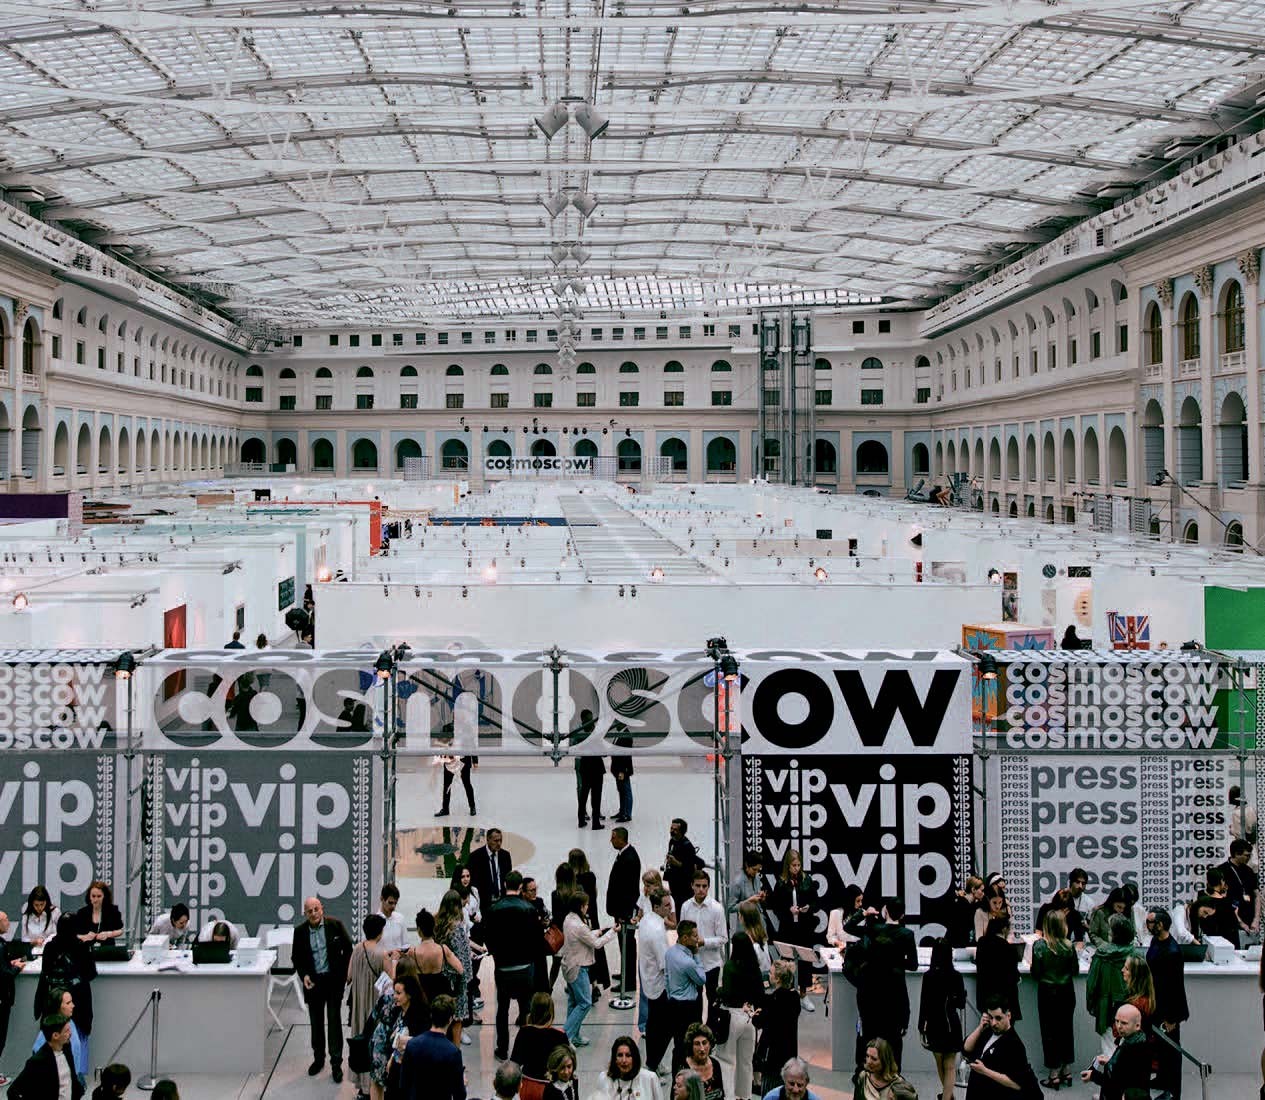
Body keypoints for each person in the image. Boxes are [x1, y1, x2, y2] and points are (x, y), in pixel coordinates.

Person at [483, 870, 545, 1059]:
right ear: (520, 887)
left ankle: (502, 1049)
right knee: (526, 1009)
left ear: (504, 885)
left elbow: (488, 938)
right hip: (525, 967)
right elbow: (536, 939)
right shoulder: (529, 909)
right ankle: (526, 1049)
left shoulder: (493, 909)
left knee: (502, 1009)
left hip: (503, 968)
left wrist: (496, 954)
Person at [291, 895, 354, 1083]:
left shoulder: (335, 925)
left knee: (334, 1022)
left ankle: (336, 1064)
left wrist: (345, 975)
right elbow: (296, 958)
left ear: (322, 909)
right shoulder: (300, 932)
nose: (313, 913)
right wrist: (304, 975)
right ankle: (318, 1060)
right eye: (309, 911)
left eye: (316, 909)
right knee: (316, 1024)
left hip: (333, 982)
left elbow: (348, 949)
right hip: (314, 983)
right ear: (305, 913)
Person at [852, 898, 918, 1071]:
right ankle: (893, 1077)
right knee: (894, 1043)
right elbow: (913, 965)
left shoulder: (874, 929)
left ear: (885, 911)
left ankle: (867, 1075)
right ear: (902, 915)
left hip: (872, 997)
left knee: (870, 1040)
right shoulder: (907, 935)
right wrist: (896, 960)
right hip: (894, 998)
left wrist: (863, 913)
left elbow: (849, 927)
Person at [368, 960, 429, 1100]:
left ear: (409, 994)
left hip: (401, 1067)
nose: (395, 996)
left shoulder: (416, 1015)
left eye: (398, 993)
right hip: (392, 1061)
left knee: (379, 1084)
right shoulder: (400, 1010)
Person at [560, 891, 615, 1046]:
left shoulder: (569, 919)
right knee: (585, 1003)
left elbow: (585, 936)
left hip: (569, 965)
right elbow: (596, 944)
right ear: (580, 906)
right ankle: (565, 1036)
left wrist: (600, 931)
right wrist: (612, 932)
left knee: (573, 1003)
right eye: (586, 905)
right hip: (579, 968)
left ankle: (574, 1036)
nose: (587, 907)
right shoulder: (579, 925)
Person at [1031, 909, 1078, 1089]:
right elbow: (1074, 970)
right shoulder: (1069, 946)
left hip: (1047, 992)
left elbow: (1036, 973)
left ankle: (1053, 1074)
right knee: (1066, 1030)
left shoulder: (1040, 946)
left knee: (1050, 1033)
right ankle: (1067, 1070)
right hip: (1067, 991)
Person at [1146, 907, 1189, 1100]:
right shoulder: (1156, 941)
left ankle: (1173, 1090)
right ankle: (1162, 1079)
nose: (1147, 925)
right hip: (1156, 1004)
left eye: (1150, 922)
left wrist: (1173, 1018)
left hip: (1168, 1010)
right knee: (1159, 1049)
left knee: (1171, 1051)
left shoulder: (1172, 951)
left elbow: (1175, 987)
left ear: (1161, 925)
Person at [769, 850, 818, 1011]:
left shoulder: (807, 880)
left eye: (798, 865)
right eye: (793, 865)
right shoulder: (781, 883)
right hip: (787, 928)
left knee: (804, 961)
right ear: (787, 866)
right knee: (787, 961)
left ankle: (803, 995)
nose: (796, 868)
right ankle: (787, 994)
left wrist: (808, 907)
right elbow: (775, 906)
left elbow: (815, 902)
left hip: (804, 928)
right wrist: (788, 910)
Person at [718, 931, 764, 1100]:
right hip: (749, 1016)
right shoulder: (755, 967)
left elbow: (727, 993)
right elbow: (760, 994)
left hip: (733, 1015)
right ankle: (745, 1096)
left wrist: (718, 991)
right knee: (746, 1061)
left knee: (727, 1060)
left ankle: (729, 1096)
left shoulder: (729, 966)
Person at [918, 938, 965, 1100]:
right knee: (950, 1065)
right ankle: (947, 1097)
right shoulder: (956, 976)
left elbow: (924, 1004)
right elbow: (961, 1004)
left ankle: (948, 1096)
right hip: (951, 1023)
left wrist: (921, 1027)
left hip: (934, 1024)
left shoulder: (928, 976)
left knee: (939, 1063)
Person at [962, 996, 1035, 1100]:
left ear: (1008, 1016)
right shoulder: (987, 1031)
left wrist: (985, 1071)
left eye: (998, 1018)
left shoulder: (1015, 1045)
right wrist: (980, 1028)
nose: (993, 1023)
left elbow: (1017, 1084)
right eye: (990, 1017)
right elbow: (966, 1048)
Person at [35, 914, 97, 1038]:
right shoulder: (82, 947)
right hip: (78, 1004)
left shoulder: (50, 947)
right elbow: (91, 973)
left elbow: (45, 974)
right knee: (77, 1042)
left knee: (53, 1040)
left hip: (54, 1000)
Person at [348, 913, 389, 1098]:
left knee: (361, 1042)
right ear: (380, 932)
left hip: (359, 1004)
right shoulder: (382, 954)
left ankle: (362, 1087)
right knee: (375, 1045)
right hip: (374, 1005)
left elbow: (349, 976)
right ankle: (372, 1087)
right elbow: (392, 980)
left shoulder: (357, 948)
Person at [1087, 914, 1138, 1058]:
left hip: (1106, 1008)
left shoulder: (1101, 954)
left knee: (1109, 1050)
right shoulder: (1135, 954)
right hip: (1132, 1007)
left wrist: (1092, 1006)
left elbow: (1091, 985)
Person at [399, 993, 465, 1100]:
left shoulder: (412, 1045)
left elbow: (404, 1085)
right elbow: (459, 1094)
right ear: (450, 1019)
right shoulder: (453, 1052)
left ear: (431, 1015)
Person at [1081, 1003, 1152, 1099]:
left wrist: (1093, 1076)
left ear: (1137, 1025)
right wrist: (1110, 1061)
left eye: (1124, 1023)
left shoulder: (1134, 1049)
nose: (1119, 1026)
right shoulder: (1134, 1040)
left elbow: (1117, 1083)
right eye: (1117, 1021)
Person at [679, 871, 726, 1011]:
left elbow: (723, 938)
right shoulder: (686, 907)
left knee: (713, 1000)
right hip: (692, 963)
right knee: (694, 1000)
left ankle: (712, 1025)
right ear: (692, 886)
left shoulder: (717, 908)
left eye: (704, 886)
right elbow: (681, 934)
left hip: (711, 964)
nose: (701, 889)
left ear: (708, 887)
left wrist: (703, 942)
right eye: (698, 885)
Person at [752, 960, 800, 1099]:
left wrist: (753, 1013)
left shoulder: (773, 1001)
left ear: (778, 979)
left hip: (772, 1056)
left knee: (770, 1092)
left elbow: (758, 1022)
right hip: (790, 1053)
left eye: (771, 973)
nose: (769, 975)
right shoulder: (794, 998)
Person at [665, 919, 708, 1071]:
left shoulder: (670, 953)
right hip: (688, 1008)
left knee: (678, 1042)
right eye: (695, 936)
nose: (698, 939)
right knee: (690, 1043)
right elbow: (701, 979)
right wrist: (696, 955)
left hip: (673, 1004)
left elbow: (667, 977)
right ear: (684, 938)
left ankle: (677, 1073)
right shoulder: (687, 962)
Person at [639, 888, 674, 1073]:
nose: (670, 909)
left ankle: (654, 1061)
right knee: (665, 1027)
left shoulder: (647, 920)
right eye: (667, 906)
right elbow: (664, 964)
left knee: (653, 1024)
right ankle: (653, 1064)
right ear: (656, 907)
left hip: (649, 981)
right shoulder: (657, 930)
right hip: (659, 985)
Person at [8, 1014, 83, 1100]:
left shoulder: (67, 1048)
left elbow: (72, 1078)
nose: (70, 1033)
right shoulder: (37, 1062)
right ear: (55, 1035)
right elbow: (12, 1092)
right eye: (67, 1031)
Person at [570, 847, 611, 994]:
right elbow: (595, 893)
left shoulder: (573, 880)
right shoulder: (591, 876)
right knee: (593, 950)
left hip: (579, 919)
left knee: (579, 951)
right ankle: (595, 984)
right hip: (592, 916)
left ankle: (579, 982)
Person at [435, 889, 473, 1046]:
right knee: (457, 1020)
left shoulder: (438, 926)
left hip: (442, 977)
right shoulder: (457, 928)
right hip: (457, 980)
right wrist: (467, 978)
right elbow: (462, 957)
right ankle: (455, 1053)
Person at [607, 826, 642, 996]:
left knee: (627, 944)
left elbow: (628, 890)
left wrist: (623, 914)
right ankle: (625, 972)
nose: (611, 840)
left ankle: (628, 982)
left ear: (621, 839)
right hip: (621, 909)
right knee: (623, 944)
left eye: (613, 837)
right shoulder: (625, 854)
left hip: (624, 911)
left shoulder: (629, 858)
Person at [509, 992, 568, 1086]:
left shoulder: (524, 1032)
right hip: (551, 1086)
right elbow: (566, 1067)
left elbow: (515, 1063)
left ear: (532, 1011)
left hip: (528, 1083)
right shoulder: (560, 1036)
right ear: (551, 1012)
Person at [31, 987, 88, 1084]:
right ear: (57, 1006)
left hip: (74, 1076)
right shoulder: (49, 1031)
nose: (73, 1005)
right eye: (68, 1003)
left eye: (72, 1002)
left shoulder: (70, 1022)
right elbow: (37, 1052)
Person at [974, 915, 1021, 1027]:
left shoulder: (982, 943)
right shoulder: (1009, 949)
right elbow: (1014, 977)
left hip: (985, 998)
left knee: (986, 1031)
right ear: (1004, 929)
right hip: (1004, 1001)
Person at [450, 864, 483, 1006]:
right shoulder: (454, 895)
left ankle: (473, 984)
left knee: (476, 959)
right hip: (463, 932)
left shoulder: (474, 891)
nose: (465, 879)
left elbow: (478, 908)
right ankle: (469, 993)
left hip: (475, 929)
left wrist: (477, 916)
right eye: (463, 876)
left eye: (468, 876)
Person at [591, 1034, 662, 1100]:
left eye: (628, 1055)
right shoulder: (604, 1078)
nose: (624, 1060)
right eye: (620, 1055)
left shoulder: (650, 1078)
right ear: (614, 1059)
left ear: (634, 1058)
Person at [0, 911, 27, 1082]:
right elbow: (4, 975)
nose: (8, 923)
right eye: (5, 920)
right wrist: (17, 968)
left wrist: (9, 964)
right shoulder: (0, 945)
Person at [1219, 839, 1261, 940]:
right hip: (1230, 922)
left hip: (1249, 920)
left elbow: (1256, 895)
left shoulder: (1249, 871)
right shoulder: (1222, 871)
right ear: (1237, 854)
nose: (1248, 858)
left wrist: (1256, 919)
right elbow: (1222, 901)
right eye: (1246, 855)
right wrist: (1240, 922)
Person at [665, 819, 702, 916]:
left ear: (682, 832)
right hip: (674, 882)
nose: (672, 831)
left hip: (684, 887)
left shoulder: (687, 846)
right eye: (671, 828)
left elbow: (689, 869)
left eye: (675, 830)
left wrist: (676, 862)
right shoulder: (672, 841)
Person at [469, 827, 513, 907]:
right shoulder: (475, 857)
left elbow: (509, 878)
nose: (499, 843)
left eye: (500, 840)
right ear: (488, 840)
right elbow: (473, 881)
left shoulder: (505, 855)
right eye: (496, 841)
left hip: (502, 901)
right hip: (484, 902)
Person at [682, 1022, 725, 1100]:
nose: (702, 1048)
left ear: (710, 1044)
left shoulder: (715, 1064)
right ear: (691, 1046)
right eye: (697, 1044)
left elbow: (720, 1095)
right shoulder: (683, 1069)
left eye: (704, 1043)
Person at [74, 881, 124, 946]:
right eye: (93, 896)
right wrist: (85, 936)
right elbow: (75, 934)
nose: (96, 899)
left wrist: (108, 934)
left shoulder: (112, 910)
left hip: (107, 948)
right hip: (87, 948)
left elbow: (120, 930)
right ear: (89, 897)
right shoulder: (82, 912)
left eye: (99, 896)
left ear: (104, 896)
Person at [728, 852, 768, 922]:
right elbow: (730, 908)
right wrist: (748, 901)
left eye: (758, 870)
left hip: (759, 922)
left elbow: (756, 900)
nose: (756, 872)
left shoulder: (756, 877)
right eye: (754, 869)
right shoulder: (738, 882)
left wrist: (761, 898)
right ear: (746, 865)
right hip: (746, 924)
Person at [378, 883, 410, 954]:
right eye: (390, 903)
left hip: (398, 959)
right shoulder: (374, 921)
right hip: (380, 960)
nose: (393, 906)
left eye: (395, 903)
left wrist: (399, 952)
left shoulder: (400, 918)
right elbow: (368, 947)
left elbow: (406, 944)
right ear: (382, 899)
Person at [578, 753, 606, 830]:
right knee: (596, 796)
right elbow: (604, 754)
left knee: (583, 795)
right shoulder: (598, 743)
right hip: (597, 768)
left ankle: (581, 821)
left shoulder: (584, 744)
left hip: (585, 767)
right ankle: (595, 823)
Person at [610, 743, 635, 823]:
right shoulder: (619, 736)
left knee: (626, 792)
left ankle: (626, 814)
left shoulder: (626, 737)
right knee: (622, 791)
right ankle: (622, 812)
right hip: (618, 770)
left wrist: (623, 771)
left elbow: (626, 754)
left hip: (622, 770)